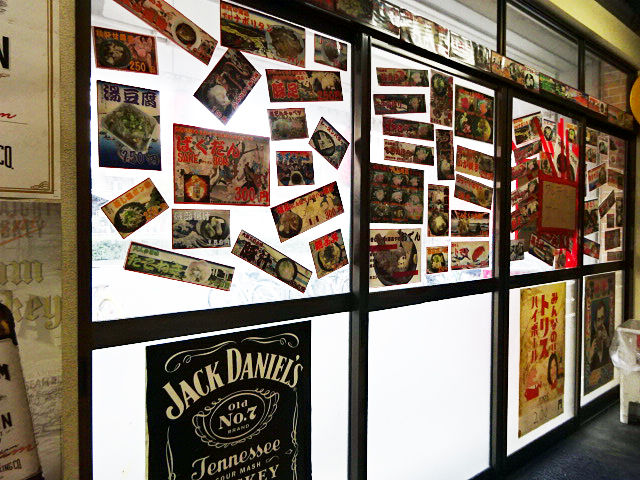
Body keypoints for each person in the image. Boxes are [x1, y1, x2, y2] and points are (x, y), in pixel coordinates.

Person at [589, 301, 611, 371]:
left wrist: (608, 342)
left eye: (602, 318)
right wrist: (590, 357)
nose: (601, 323)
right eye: (598, 320)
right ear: (594, 324)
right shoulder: (591, 345)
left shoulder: (607, 339)